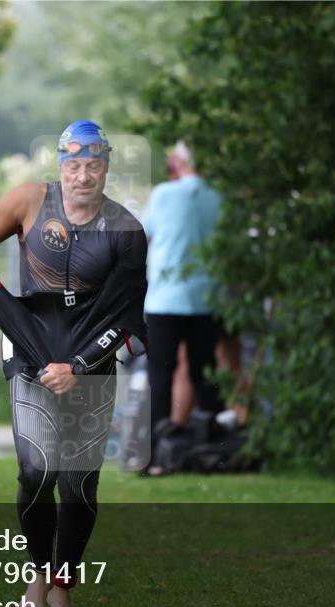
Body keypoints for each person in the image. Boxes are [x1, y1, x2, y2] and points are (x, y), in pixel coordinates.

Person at [0, 120, 147, 607]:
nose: (83, 175)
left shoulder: (126, 230)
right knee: (37, 470)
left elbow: (126, 317)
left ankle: (62, 588)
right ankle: (38, 572)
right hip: (31, 355)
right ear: (61, 166)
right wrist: (9, 314)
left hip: (90, 363)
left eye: (94, 165)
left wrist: (79, 365)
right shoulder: (29, 201)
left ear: (106, 168)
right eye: (74, 165)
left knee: (79, 484)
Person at [142, 140, 233, 476]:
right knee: (205, 375)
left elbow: (144, 236)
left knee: (160, 376)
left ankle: (155, 456)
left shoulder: (164, 194)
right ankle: (214, 452)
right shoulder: (220, 198)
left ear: (178, 163)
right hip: (207, 298)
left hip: (164, 299)